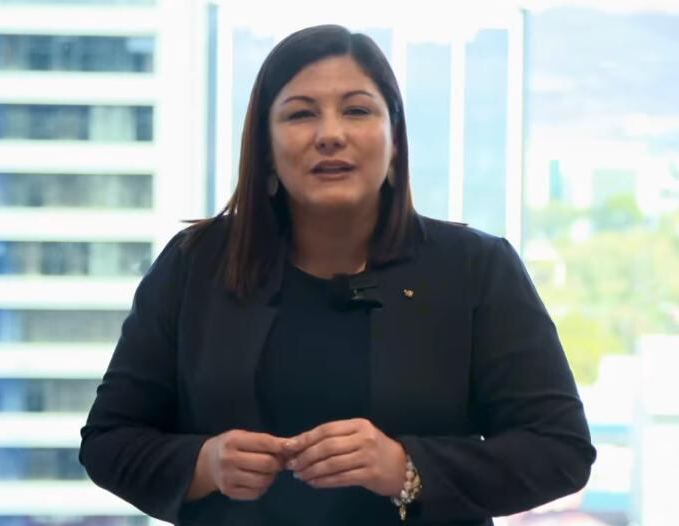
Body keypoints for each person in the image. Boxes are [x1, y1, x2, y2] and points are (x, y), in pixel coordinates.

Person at [79, 24, 596, 526]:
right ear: (265, 149)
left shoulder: (475, 267)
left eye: (357, 110)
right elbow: (108, 441)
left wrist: (405, 468)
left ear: (395, 142)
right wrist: (204, 466)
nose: (330, 134)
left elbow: (559, 450)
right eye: (301, 114)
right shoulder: (196, 264)